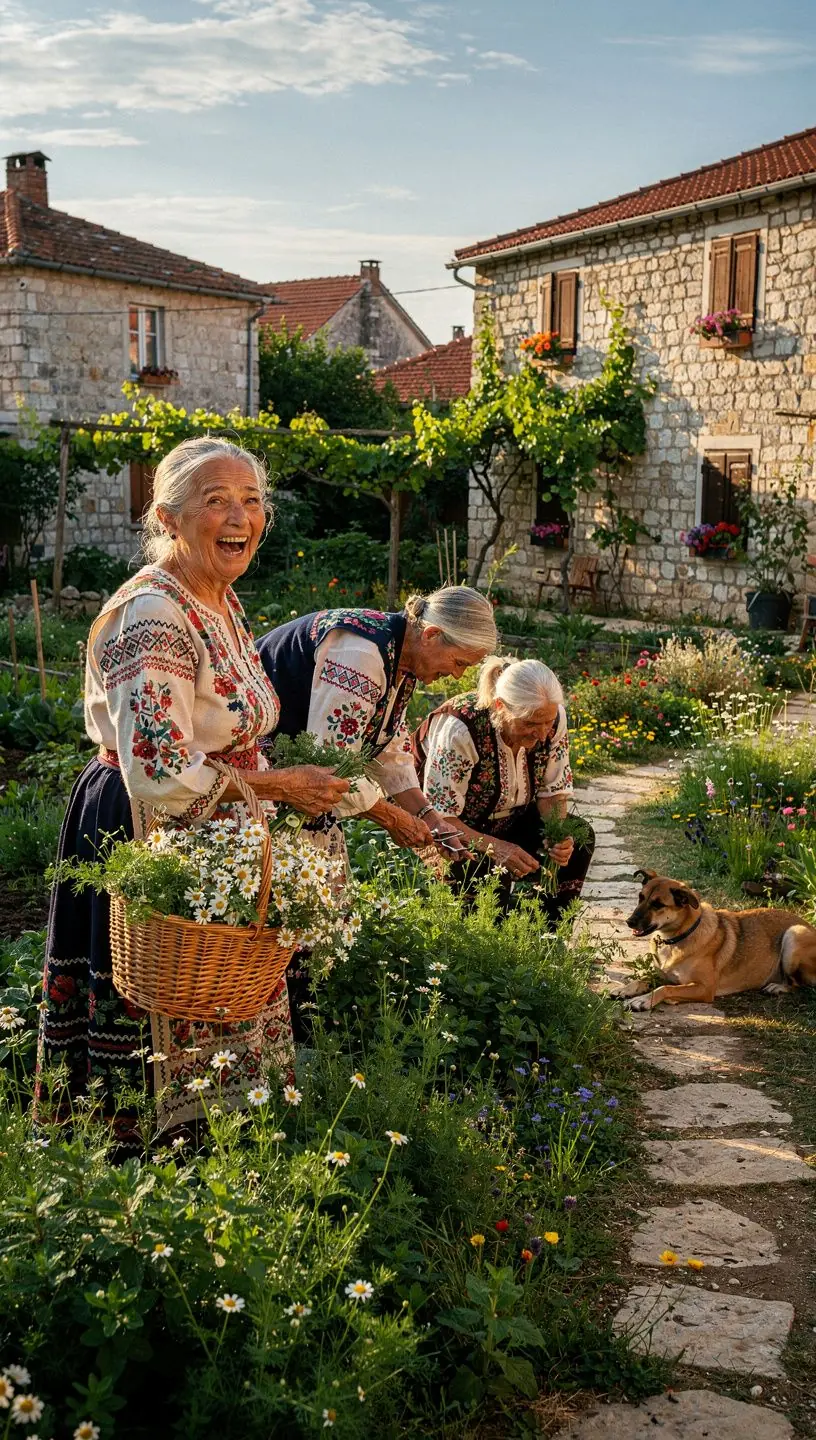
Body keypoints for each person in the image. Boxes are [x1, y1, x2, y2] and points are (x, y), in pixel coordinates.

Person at [37, 437, 349, 1151]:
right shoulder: (153, 613)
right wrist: (278, 786)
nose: (240, 516)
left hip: (219, 819)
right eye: (216, 501)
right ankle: (142, 1169)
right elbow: (157, 767)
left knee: (220, 989)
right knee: (161, 998)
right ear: (168, 517)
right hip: (147, 820)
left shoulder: (217, 598)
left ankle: (229, 1151)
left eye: (251, 500)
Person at [256, 587, 499, 857]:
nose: (456, 675)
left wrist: (431, 819)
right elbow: (331, 764)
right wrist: (393, 818)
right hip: (260, 777)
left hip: (300, 788)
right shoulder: (360, 654)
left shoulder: (402, 658)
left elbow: (389, 750)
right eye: (459, 662)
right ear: (431, 635)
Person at [412, 656, 595, 923]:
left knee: (579, 841)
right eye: (530, 724)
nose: (542, 734)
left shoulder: (551, 718)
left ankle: (544, 936)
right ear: (500, 707)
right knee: (483, 868)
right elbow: (440, 818)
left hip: (509, 817)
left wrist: (559, 836)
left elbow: (552, 792)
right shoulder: (460, 728)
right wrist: (496, 849)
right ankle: (489, 949)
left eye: (547, 723)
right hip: (444, 828)